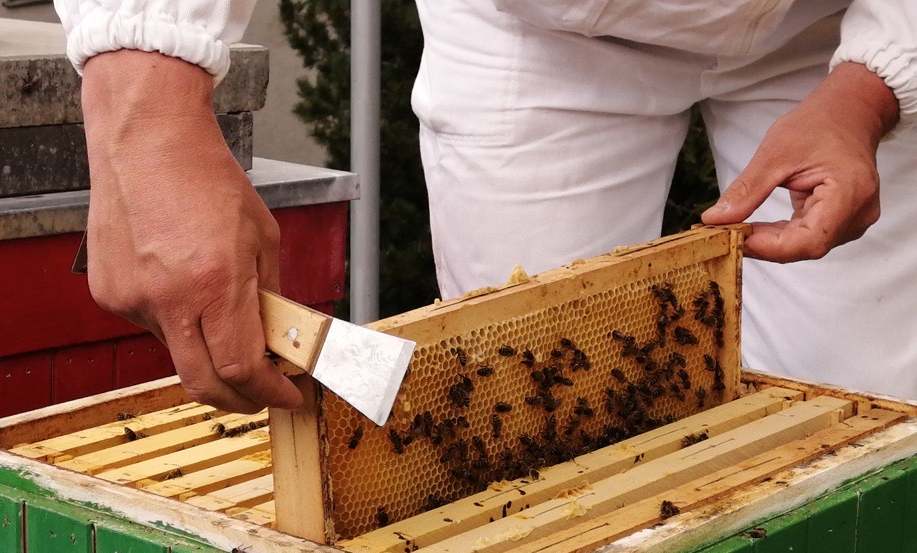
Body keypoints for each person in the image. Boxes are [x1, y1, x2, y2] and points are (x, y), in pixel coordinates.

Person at [52, 0, 917, 407]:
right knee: (529, 406)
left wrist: (873, 85)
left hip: (834, 27)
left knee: (863, 410)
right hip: (532, 24)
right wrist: (145, 97)